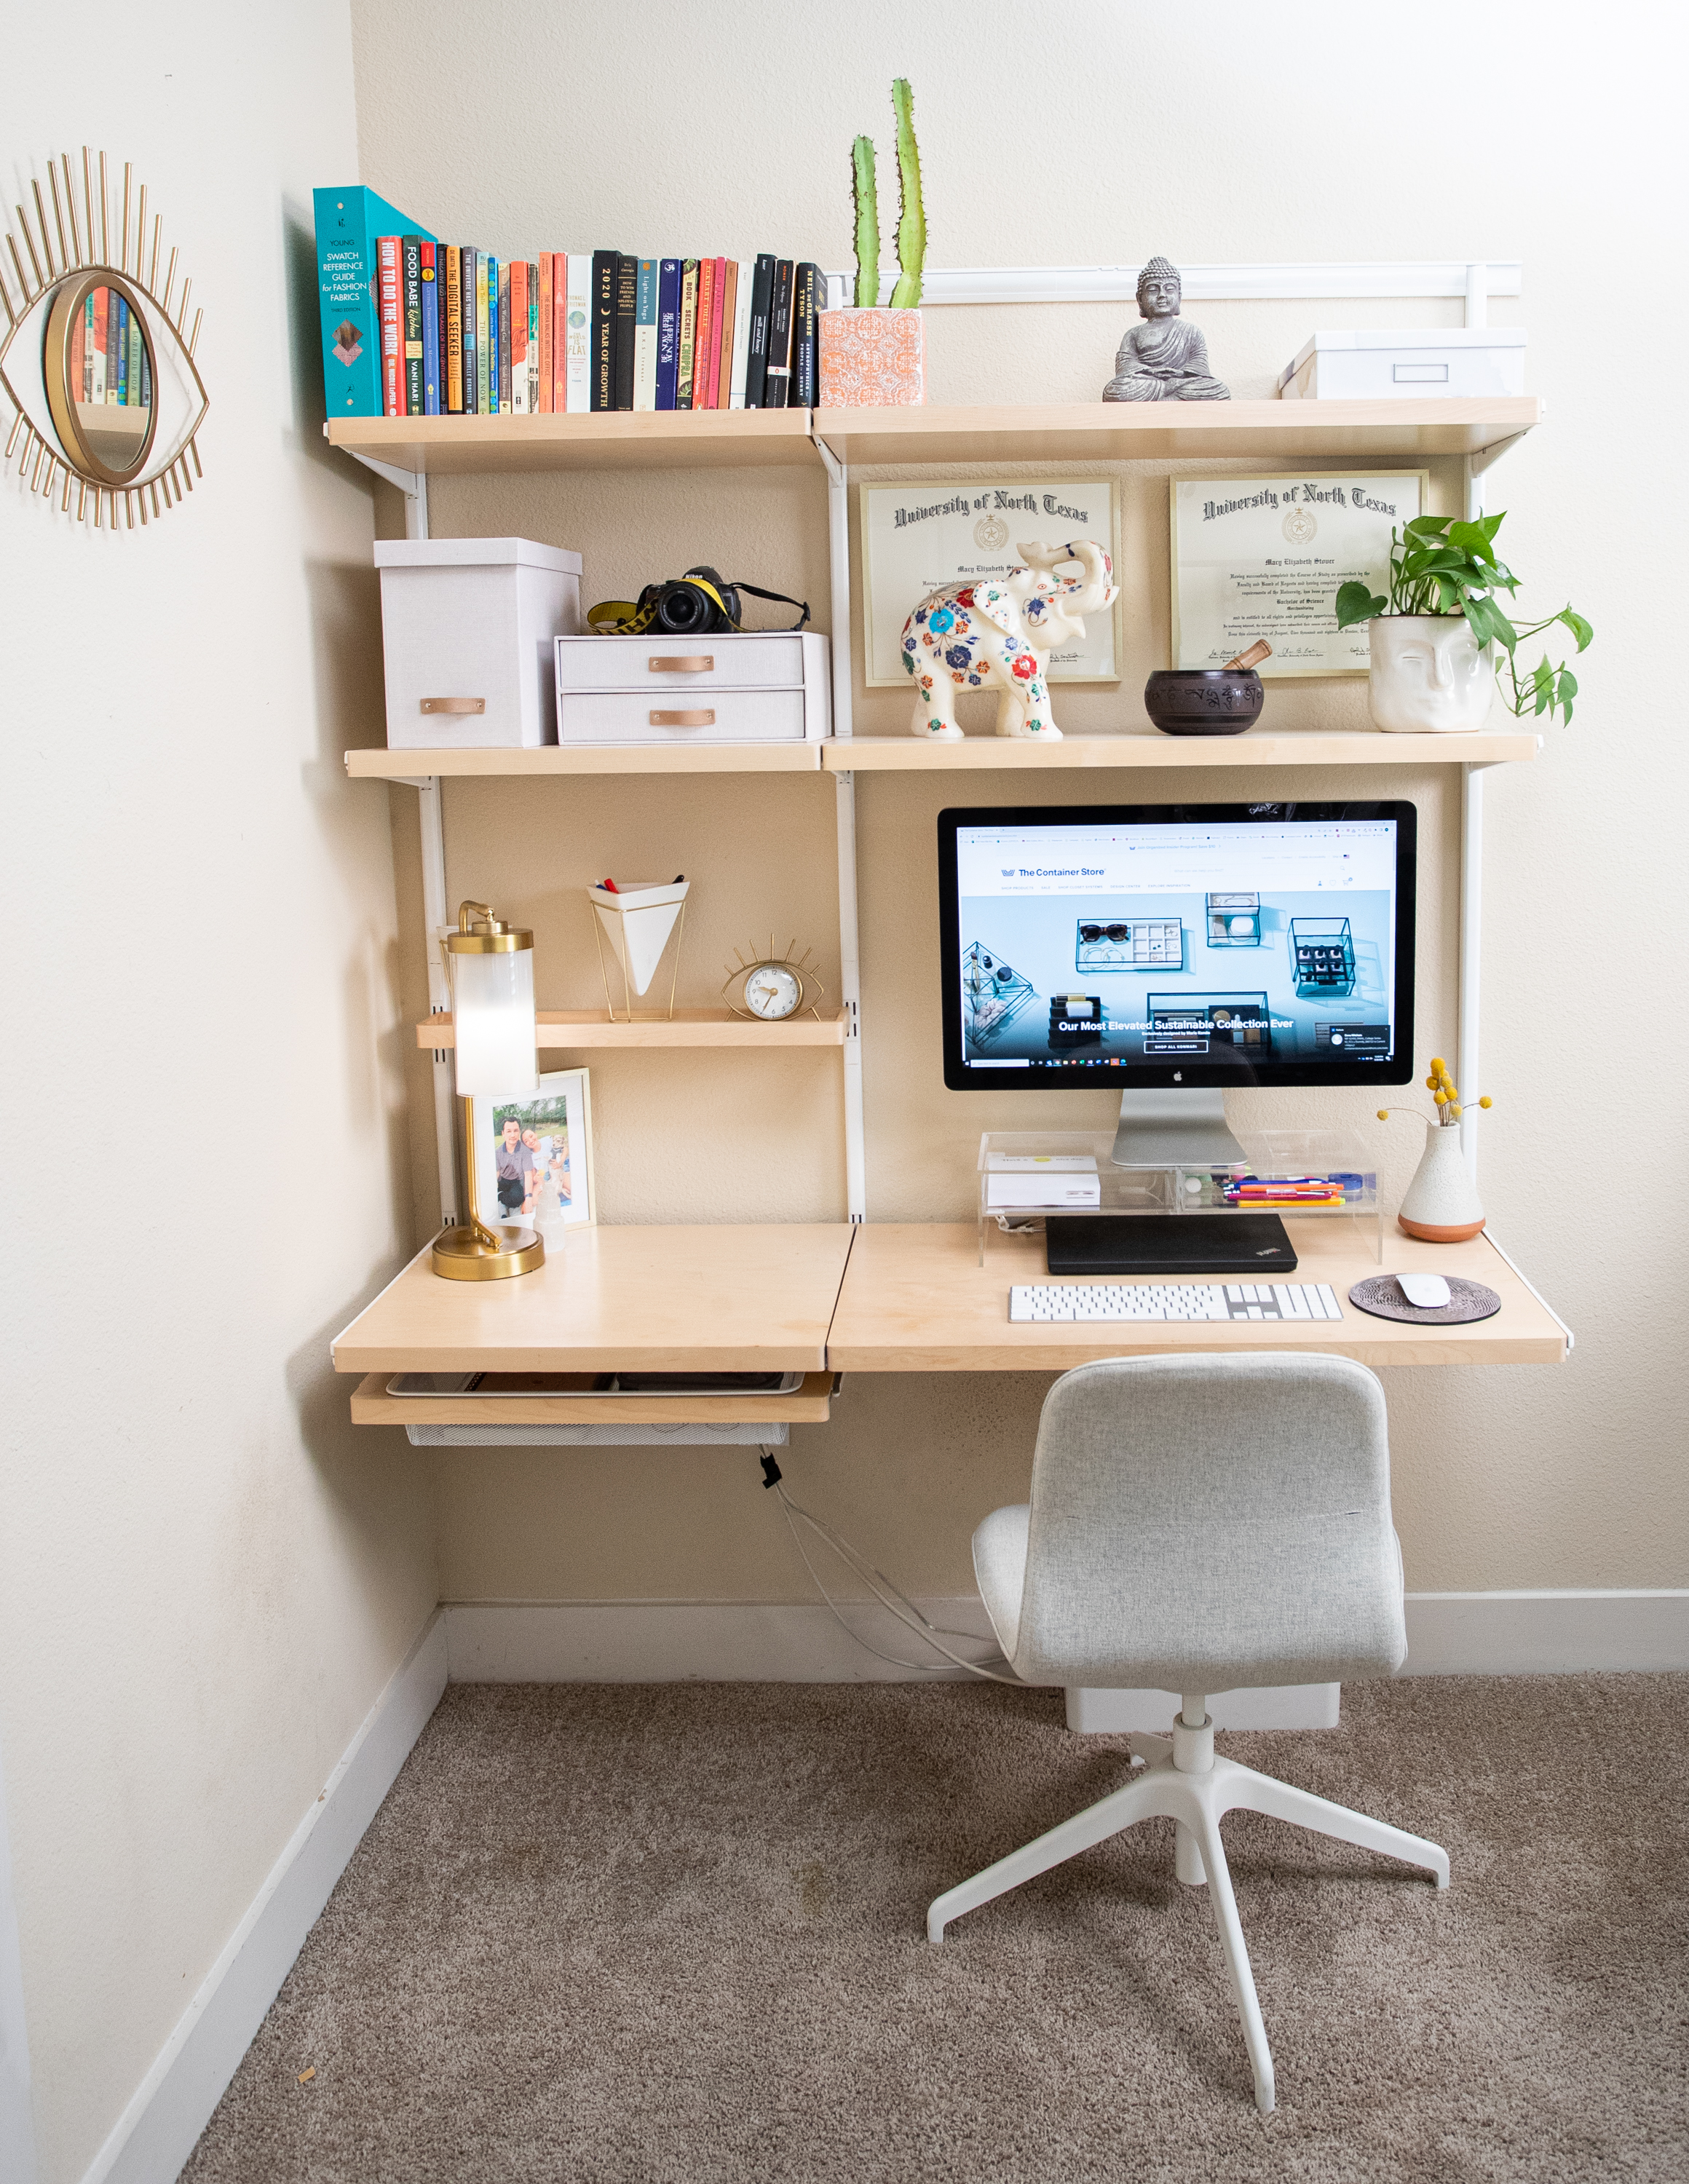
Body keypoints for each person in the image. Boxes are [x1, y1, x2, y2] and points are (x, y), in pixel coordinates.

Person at [1101, 258, 1230, 403]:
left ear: (1179, 297)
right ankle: (1169, 396)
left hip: (1182, 381)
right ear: (1140, 299)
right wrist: (1151, 372)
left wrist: (1180, 374)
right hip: (1146, 382)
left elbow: (1199, 363)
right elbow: (1125, 364)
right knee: (1115, 390)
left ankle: (1165, 397)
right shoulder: (1133, 333)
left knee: (1218, 390)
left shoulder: (1191, 331)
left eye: (1169, 289)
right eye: (1152, 290)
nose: (1162, 295)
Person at [493, 1115, 535, 1216]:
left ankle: (502, 1200)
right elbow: (497, 1174)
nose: (513, 1135)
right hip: (504, 1182)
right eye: (509, 1131)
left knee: (517, 1196)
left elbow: (528, 1175)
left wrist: (529, 1198)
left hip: (517, 1182)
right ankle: (502, 1204)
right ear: (503, 1134)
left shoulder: (525, 1151)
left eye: (516, 1131)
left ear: (519, 1132)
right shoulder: (498, 1152)